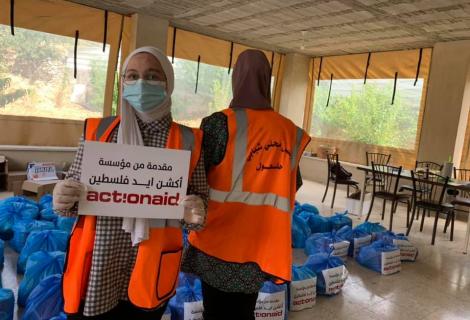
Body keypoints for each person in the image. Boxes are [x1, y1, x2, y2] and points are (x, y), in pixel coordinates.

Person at [52, 46, 207, 319]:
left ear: (167, 83)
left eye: (152, 76)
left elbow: (197, 210)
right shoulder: (97, 131)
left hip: (150, 270)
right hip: (99, 268)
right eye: (132, 76)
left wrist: (195, 213)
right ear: (122, 82)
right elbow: (72, 201)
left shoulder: (189, 141)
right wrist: (62, 197)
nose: (141, 84)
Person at [182, 49, 311, 320]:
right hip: (262, 247)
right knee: (244, 312)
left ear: (237, 78)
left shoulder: (219, 124)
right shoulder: (290, 131)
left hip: (218, 245)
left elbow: (194, 179)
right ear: (267, 81)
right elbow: (292, 184)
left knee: (215, 312)